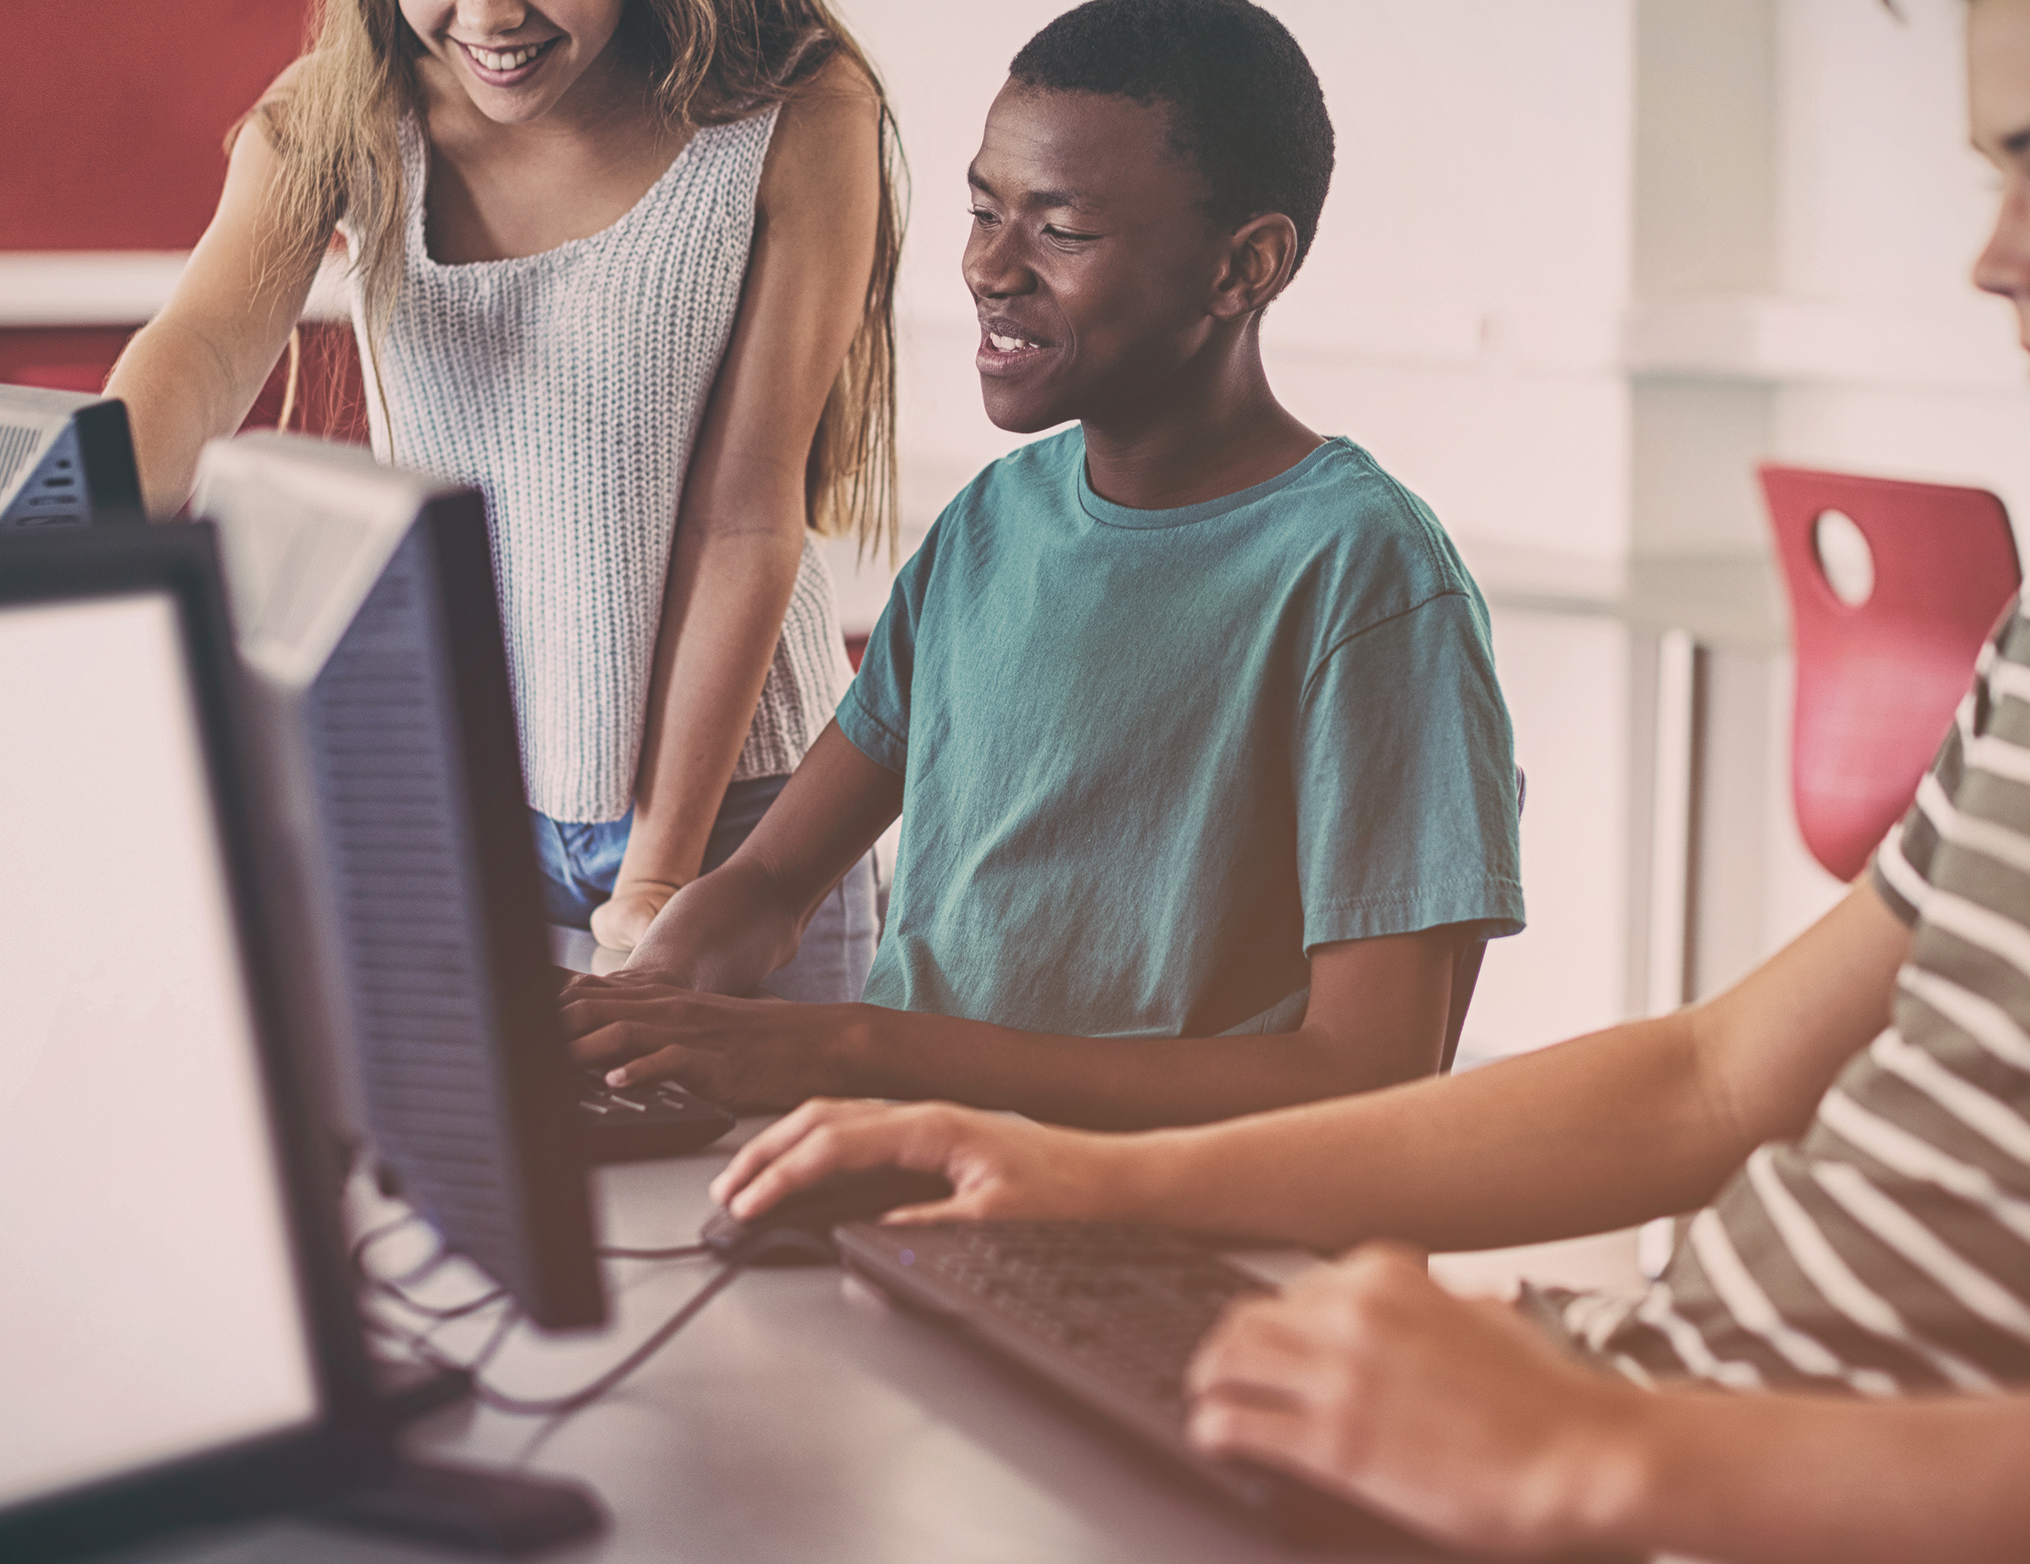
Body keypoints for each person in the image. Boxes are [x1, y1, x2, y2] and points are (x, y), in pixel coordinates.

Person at [703, 0, 2030, 1557]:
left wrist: (1596, 1450)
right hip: (1668, 1408)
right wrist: (1090, 1180)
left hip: (1701, 1471)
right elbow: (1715, 1074)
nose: (1994, 257)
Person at [560, 0, 1525, 1125]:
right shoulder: (990, 525)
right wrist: (634, 1001)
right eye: (983, 209)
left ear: (1244, 267)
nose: (988, 266)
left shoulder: (1365, 579)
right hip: (921, 1182)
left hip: (1162, 1244)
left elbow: (1366, 1078)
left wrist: (867, 1051)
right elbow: (770, 884)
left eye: (1060, 230)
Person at [104, 0, 899, 1000]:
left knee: (746, 1157)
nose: (488, 16)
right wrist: (85, 511)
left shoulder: (799, 108)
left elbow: (740, 515)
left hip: (742, 811)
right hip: (463, 792)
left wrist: (655, 876)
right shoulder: (338, 111)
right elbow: (208, 345)